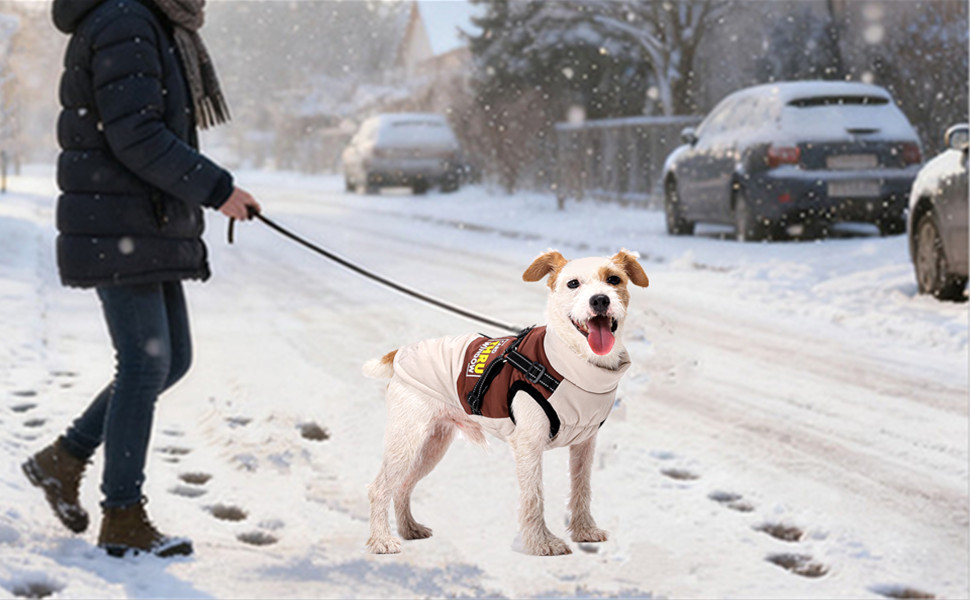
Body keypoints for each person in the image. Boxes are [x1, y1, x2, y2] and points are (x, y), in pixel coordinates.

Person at [22, 0, 261, 558]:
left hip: (141, 219)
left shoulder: (146, 19)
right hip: (119, 220)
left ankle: (64, 458)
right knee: (145, 362)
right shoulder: (126, 19)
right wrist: (216, 188)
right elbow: (135, 133)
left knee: (169, 358)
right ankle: (122, 515)